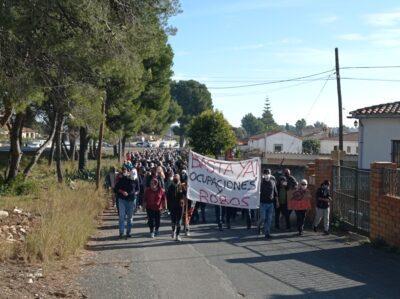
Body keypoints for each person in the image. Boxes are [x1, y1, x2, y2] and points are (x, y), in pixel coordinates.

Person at [114, 166, 139, 239]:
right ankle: (121, 233)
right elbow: (116, 188)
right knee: (122, 216)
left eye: (134, 178)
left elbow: (138, 190)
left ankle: (128, 232)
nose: (133, 179)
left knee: (130, 217)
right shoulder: (123, 179)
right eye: (131, 177)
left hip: (131, 200)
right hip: (122, 199)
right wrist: (122, 191)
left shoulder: (136, 180)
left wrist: (134, 193)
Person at [259, 169, 279, 239]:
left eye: (268, 173)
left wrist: (277, 202)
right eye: (265, 173)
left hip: (271, 204)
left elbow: (275, 193)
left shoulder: (273, 182)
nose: (267, 174)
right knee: (263, 218)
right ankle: (259, 226)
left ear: (270, 174)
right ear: (263, 175)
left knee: (269, 219)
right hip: (263, 204)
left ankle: (267, 233)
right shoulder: (261, 182)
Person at [167, 174, 184, 241]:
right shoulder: (171, 187)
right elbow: (168, 197)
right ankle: (173, 230)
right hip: (172, 206)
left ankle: (178, 235)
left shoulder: (182, 186)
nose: (175, 178)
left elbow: (185, 194)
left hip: (180, 206)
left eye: (177, 177)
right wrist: (168, 207)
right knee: (173, 221)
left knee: (179, 221)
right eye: (174, 177)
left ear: (179, 178)